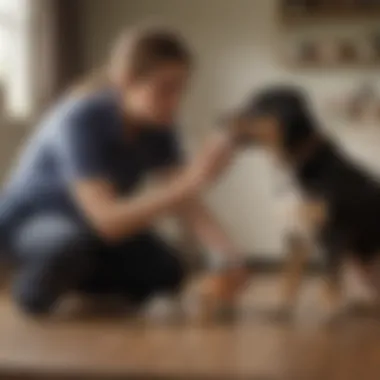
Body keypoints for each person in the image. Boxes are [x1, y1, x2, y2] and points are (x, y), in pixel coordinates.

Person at [0, 26, 246, 316]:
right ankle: (27, 288)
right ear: (126, 80)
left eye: (180, 90)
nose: (175, 103)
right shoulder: (80, 117)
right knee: (67, 247)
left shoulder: (158, 127)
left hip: (90, 229)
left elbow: (186, 203)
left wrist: (228, 256)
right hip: (35, 221)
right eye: (165, 89)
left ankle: (80, 281)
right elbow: (108, 220)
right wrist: (192, 180)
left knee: (168, 270)